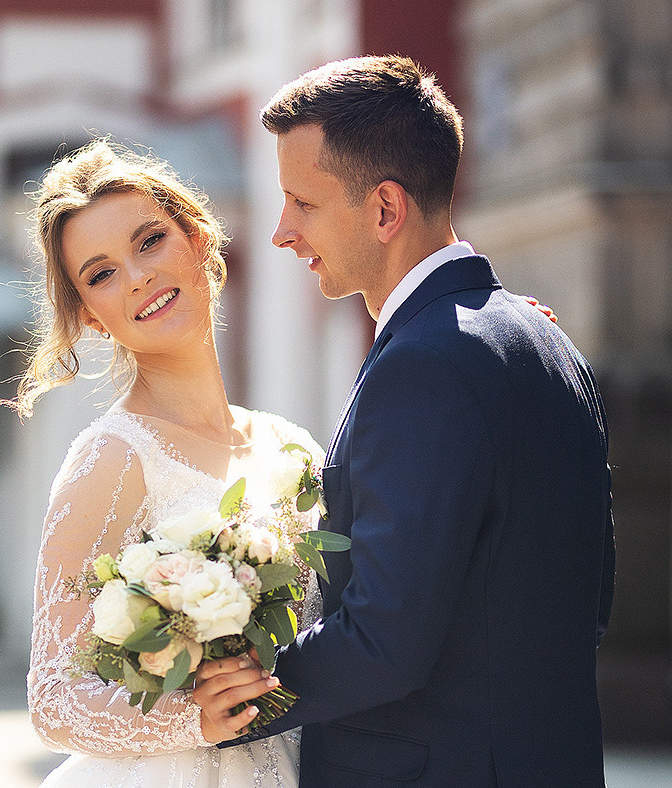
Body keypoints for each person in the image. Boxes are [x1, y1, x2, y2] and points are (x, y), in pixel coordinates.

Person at [203, 55, 615, 787]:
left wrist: (232, 706)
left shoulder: (424, 367)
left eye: (302, 203)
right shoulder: (549, 341)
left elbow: (384, 640)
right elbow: (592, 597)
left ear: (385, 209)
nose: (280, 232)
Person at [16, 139, 325, 788]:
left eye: (149, 241)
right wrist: (194, 717)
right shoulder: (111, 460)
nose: (135, 277)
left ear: (198, 239)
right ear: (90, 317)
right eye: (100, 275)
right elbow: (53, 698)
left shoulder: (292, 447)